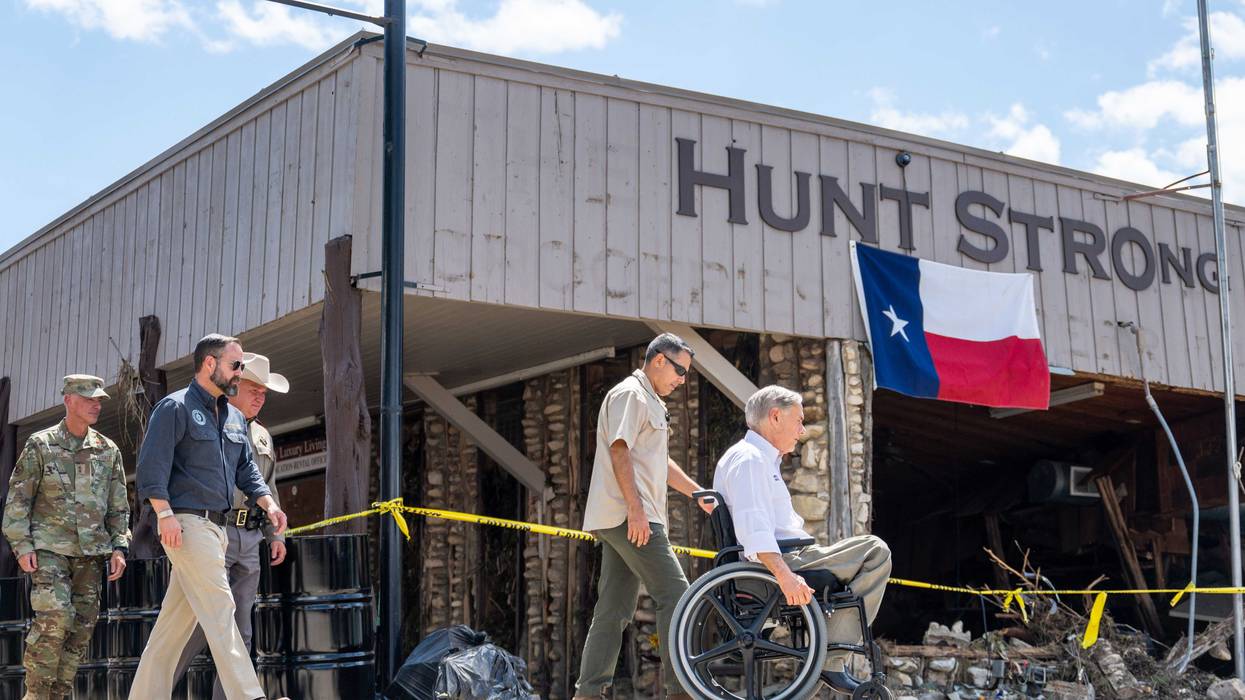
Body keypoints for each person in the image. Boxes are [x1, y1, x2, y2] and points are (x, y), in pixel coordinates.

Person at [130, 334, 288, 700]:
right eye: (235, 366)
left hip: (216, 529)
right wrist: (164, 513)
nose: (239, 373)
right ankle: (250, 696)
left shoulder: (232, 416)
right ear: (209, 364)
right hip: (186, 525)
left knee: (170, 632)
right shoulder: (175, 408)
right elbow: (151, 468)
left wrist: (270, 504)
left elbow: (247, 470)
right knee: (222, 612)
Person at [713, 385, 892, 696]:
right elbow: (754, 529)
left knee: (866, 554)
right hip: (778, 563)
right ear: (775, 417)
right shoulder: (750, 460)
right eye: (798, 420)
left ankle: (826, 654)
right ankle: (831, 657)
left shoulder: (759, 460)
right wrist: (786, 576)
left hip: (788, 556)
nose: (802, 430)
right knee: (875, 551)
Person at [573, 333, 713, 700]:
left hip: (625, 516)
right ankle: (682, 691)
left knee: (614, 607)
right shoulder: (631, 395)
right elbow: (619, 450)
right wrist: (636, 511)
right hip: (631, 516)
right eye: (680, 371)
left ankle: (587, 693)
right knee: (677, 595)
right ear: (659, 360)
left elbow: (656, 461)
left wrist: (698, 493)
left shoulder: (647, 398)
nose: (682, 380)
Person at [2, 374, 130, 700]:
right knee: (56, 619)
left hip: (91, 553)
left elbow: (118, 506)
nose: (96, 405)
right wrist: (22, 544)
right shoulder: (40, 445)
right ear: (68, 400)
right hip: (49, 550)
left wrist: (119, 546)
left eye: (99, 399)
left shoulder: (107, 450)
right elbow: (18, 501)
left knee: (80, 630)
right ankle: (36, 695)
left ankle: (57, 695)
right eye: (88, 399)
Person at [172, 353, 289, 700]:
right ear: (234, 386)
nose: (260, 397)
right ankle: (155, 689)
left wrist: (275, 533)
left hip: (250, 538)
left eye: (265, 393)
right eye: (254, 389)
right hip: (212, 533)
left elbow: (268, 484)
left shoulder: (264, 436)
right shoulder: (208, 422)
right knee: (192, 628)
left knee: (241, 631)